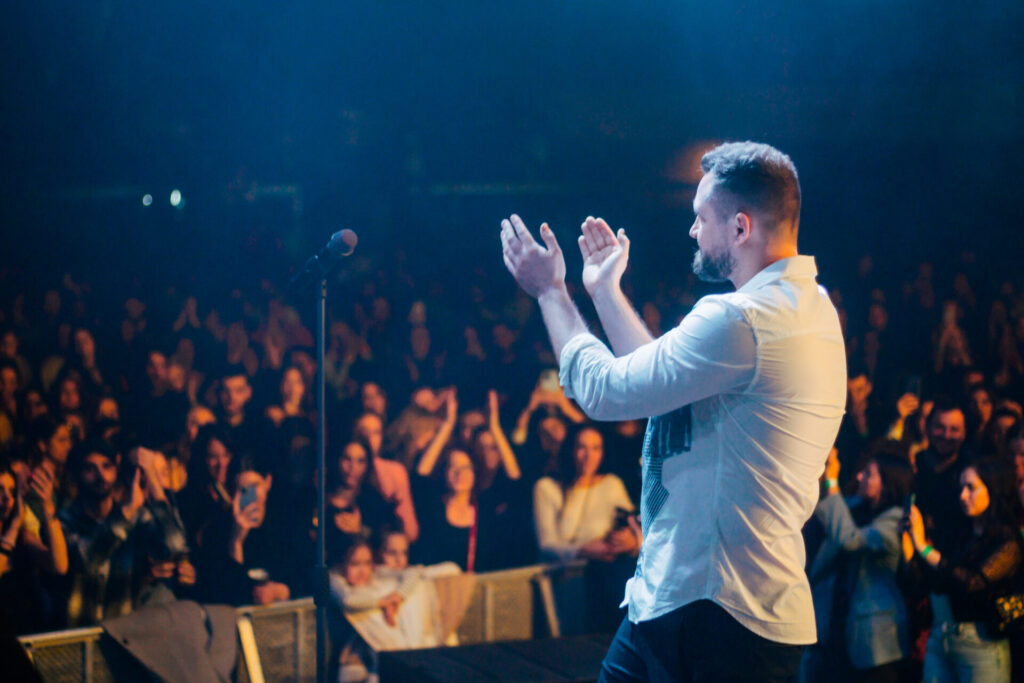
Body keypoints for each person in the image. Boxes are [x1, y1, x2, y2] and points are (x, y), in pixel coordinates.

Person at [500, 141, 846, 680]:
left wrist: (550, 293)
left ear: (741, 227)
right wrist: (605, 291)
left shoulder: (742, 320)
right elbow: (660, 388)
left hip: (714, 615)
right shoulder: (812, 308)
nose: (691, 230)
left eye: (701, 218)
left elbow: (606, 391)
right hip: (695, 604)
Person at [903, 457, 1023, 682]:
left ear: (993, 488)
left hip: (982, 643)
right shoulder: (957, 532)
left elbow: (973, 582)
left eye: (971, 488)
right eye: (961, 488)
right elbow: (930, 583)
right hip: (941, 635)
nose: (963, 495)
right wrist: (910, 547)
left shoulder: (1008, 541)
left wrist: (924, 548)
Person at [801, 446, 914, 682]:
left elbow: (849, 539)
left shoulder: (894, 521)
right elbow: (830, 509)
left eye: (869, 474)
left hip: (875, 640)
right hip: (839, 628)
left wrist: (833, 481)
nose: (860, 477)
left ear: (888, 484)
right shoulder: (858, 508)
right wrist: (825, 467)